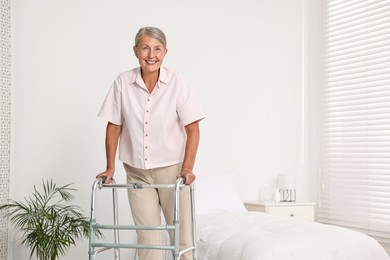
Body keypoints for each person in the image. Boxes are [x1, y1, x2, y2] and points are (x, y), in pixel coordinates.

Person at [96, 26, 205, 260]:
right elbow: (114, 126)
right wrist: (110, 167)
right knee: (148, 239)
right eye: (145, 48)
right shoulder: (122, 82)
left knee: (182, 238)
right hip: (137, 172)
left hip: (172, 172)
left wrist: (187, 169)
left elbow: (193, 128)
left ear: (165, 52)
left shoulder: (178, 83)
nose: (151, 55)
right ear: (135, 51)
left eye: (157, 49)